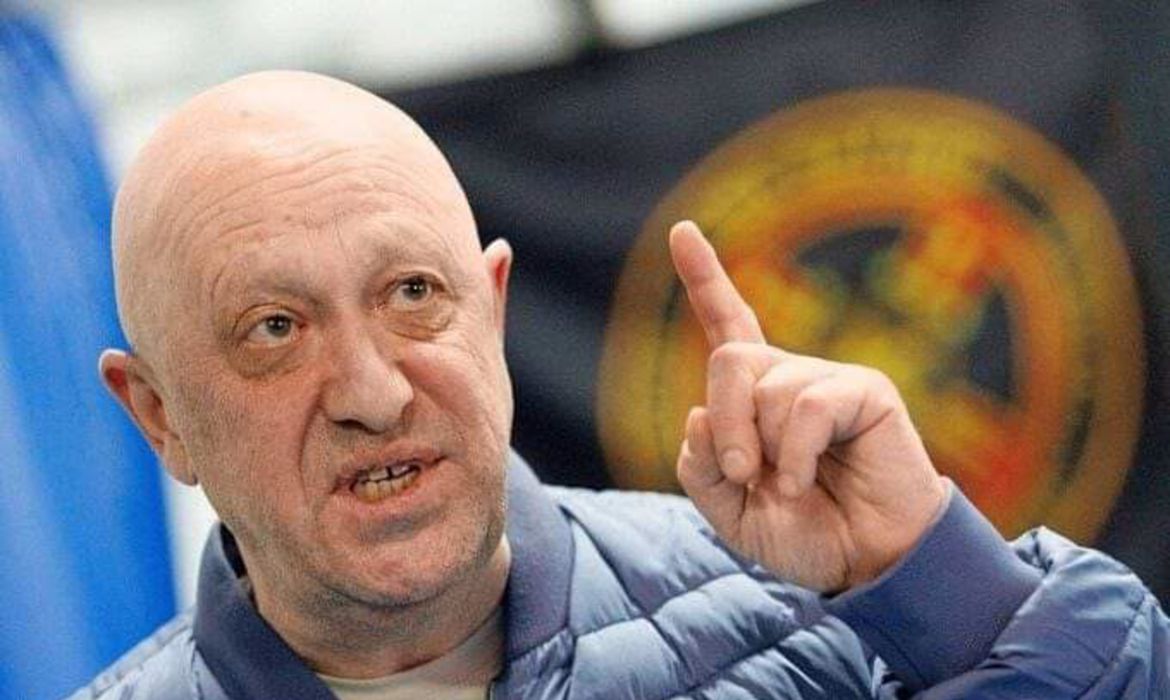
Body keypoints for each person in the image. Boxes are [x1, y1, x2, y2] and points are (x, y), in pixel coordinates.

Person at [72, 71, 1167, 699]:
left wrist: (937, 582)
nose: (373, 390)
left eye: (412, 292)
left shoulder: (808, 619)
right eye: (274, 328)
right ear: (161, 417)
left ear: (494, 308)